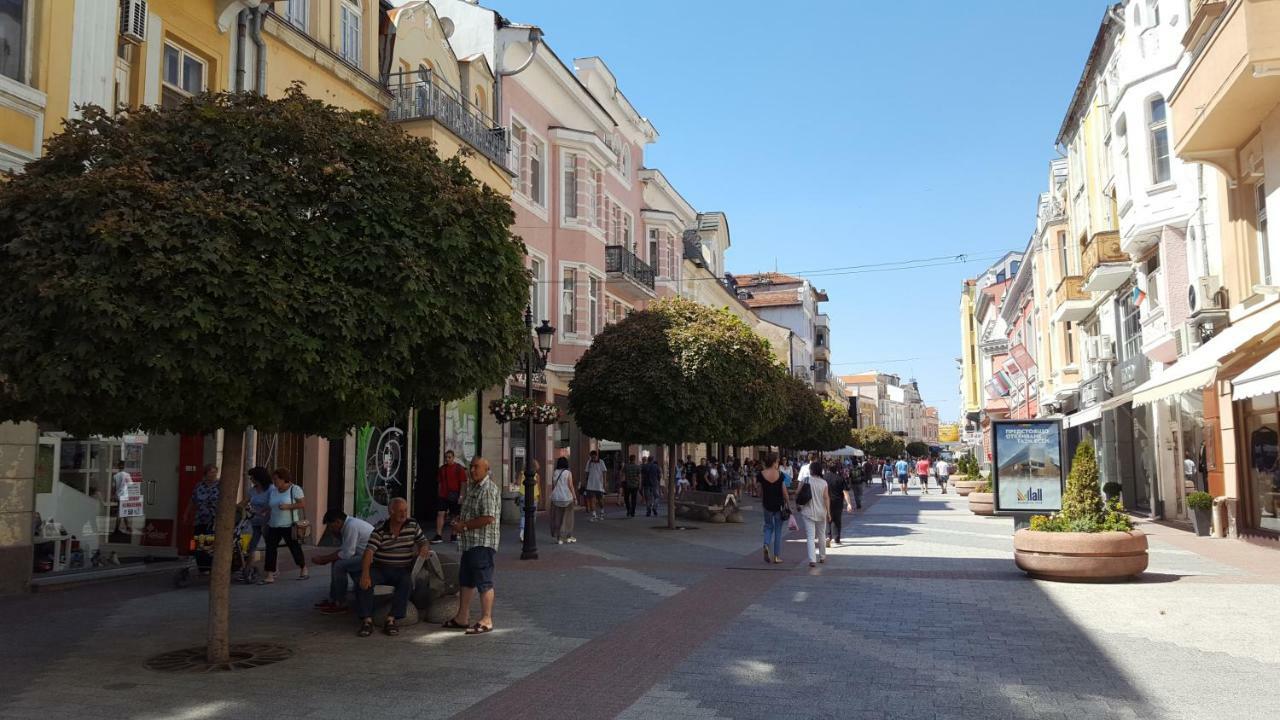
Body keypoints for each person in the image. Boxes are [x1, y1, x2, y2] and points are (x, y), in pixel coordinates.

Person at [354, 498, 429, 637]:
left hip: (401, 568)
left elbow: (423, 541)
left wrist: (423, 547)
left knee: (406, 581)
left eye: (405, 510)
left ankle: (391, 619)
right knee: (363, 581)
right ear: (391, 512)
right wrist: (365, 574)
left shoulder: (412, 525)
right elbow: (369, 552)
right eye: (400, 511)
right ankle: (367, 620)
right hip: (381, 567)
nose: (403, 514)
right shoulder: (380, 529)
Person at [445, 456, 501, 635]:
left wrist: (465, 525)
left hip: (482, 542)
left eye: (477, 467)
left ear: (486, 469)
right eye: (471, 467)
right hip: (469, 542)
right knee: (466, 580)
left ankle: (487, 619)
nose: (473, 470)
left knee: (484, 580)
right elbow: (470, 512)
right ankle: (462, 617)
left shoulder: (488, 488)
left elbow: (488, 517)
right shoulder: (472, 487)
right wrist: (459, 522)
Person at [312, 509, 374, 614]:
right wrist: (327, 559)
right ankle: (334, 599)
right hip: (362, 555)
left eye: (331, 526)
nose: (331, 529)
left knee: (339, 565)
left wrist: (324, 559)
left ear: (338, 521)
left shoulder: (351, 526)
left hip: (370, 558)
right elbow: (345, 550)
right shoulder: (349, 525)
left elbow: (347, 553)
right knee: (336, 562)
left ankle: (341, 602)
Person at [261, 467, 308, 584]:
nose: (275, 481)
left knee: (294, 547)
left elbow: (302, 504)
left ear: (284, 479)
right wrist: (264, 510)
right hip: (274, 524)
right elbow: (271, 505)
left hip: (289, 524)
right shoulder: (273, 491)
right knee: (270, 548)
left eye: (276, 479)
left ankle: (303, 568)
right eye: (274, 479)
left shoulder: (294, 489)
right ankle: (270, 574)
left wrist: (288, 507)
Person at [183, 464, 221, 575]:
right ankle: (202, 567)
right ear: (206, 474)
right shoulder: (199, 486)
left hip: (214, 519)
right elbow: (192, 500)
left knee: (210, 542)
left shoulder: (220, 485)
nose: (213, 475)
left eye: (215, 472)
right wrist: (186, 514)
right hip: (200, 517)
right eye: (211, 472)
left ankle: (211, 566)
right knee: (199, 541)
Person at [757, 452, 789, 564]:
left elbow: (759, 491)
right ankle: (776, 556)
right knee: (778, 531)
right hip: (779, 506)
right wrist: (788, 503)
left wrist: (762, 498)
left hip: (767, 504)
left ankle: (766, 543)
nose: (778, 463)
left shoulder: (761, 474)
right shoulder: (780, 475)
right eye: (777, 461)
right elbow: (784, 492)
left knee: (768, 526)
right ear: (774, 462)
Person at [241, 467, 273, 581]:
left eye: (252, 477)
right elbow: (245, 501)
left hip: (267, 521)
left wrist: (262, 511)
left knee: (270, 545)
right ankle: (248, 568)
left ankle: (272, 569)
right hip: (254, 521)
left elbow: (271, 504)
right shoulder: (252, 490)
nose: (251, 480)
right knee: (252, 545)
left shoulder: (270, 489)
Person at [798, 460, 830, 567]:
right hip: (821, 512)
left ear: (811, 470)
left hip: (808, 511)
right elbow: (826, 498)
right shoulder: (824, 483)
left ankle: (812, 559)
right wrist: (828, 512)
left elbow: (798, 492)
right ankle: (822, 556)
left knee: (810, 536)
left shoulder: (805, 480)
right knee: (821, 535)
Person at [433, 450, 466, 543]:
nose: (447, 459)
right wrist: (439, 493)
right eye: (446, 457)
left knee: (455, 515)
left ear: (453, 457)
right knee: (440, 513)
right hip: (443, 495)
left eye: (449, 457)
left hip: (454, 494)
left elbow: (463, 483)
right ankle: (438, 535)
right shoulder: (442, 469)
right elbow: (439, 482)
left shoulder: (459, 468)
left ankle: (454, 535)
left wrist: (461, 496)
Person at [548, 457, 577, 544]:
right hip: (566, 498)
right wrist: (575, 497)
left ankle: (559, 537)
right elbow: (570, 486)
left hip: (556, 498)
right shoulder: (568, 473)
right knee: (568, 518)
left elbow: (554, 485)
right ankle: (567, 536)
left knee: (557, 517)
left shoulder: (555, 473)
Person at [826, 461, 853, 546]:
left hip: (826, 501)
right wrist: (849, 503)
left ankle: (828, 536)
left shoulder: (824, 478)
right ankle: (837, 539)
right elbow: (845, 492)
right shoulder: (840, 478)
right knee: (837, 520)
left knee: (828, 519)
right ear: (837, 469)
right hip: (838, 502)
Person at [517, 458, 540, 543]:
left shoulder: (522, 473)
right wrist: (539, 497)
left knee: (523, 515)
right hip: (534, 496)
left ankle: (522, 533)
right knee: (533, 515)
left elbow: (518, 483)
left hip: (522, 495)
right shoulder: (536, 475)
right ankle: (530, 531)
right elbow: (538, 486)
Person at [584, 450, 607, 521]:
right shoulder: (589, 462)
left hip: (599, 485)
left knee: (600, 500)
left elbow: (604, 472)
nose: (593, 458)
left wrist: (604, 482)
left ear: (597, 456)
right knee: (592, 500)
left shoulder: (601, 462)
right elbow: (587, 472)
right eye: (592, 457)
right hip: (591, 485)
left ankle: (602, 511)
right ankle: (594, 515)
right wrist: (586, 482)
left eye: (594, 457)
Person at [111, 461, 133, 536]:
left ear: (118, 467)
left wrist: (113, 496)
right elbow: (131, 486)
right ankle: (117, 529)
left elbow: (113, 487)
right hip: (125, 495)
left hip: (118, 496)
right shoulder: (127, 475)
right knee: (121, 512)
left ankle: (127, 527)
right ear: (124, 467)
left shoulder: (115, 476)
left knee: (123, 512)